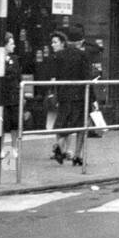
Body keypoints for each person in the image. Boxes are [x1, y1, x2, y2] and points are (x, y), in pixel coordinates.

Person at [52, 27, 90, 166]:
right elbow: (87, 78)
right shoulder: (83, 55)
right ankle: (77, 156)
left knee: (62, 124)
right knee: (81, 126)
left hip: (63, 96)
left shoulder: (59, 55)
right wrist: (92, 99)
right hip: (79, 96)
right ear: (80, 42)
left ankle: (60, 148)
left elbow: (56, 76)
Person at [0, 32, 23, 143]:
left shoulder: (15, 59)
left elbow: (18, 78)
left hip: (14, 96)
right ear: (5, 45)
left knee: (15, 124)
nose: (14, 46)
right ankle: (0, 147)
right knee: (1, 122)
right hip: (1, 95)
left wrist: (21, 94)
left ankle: (14, 147)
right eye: (11, 44)